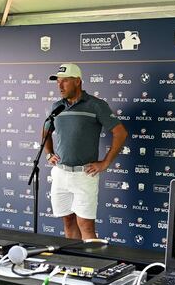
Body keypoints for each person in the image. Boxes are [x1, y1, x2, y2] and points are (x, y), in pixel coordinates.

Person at [44, 63, 128, 239]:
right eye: (58, 82)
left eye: (65, 81)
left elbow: (120, 133)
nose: (60, 86)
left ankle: (90, 266)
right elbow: (46, 132)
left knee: (86, 226)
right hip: (60, 173)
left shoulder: (96, 105)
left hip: (84, 175)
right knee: (67, 220)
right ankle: (72, 263)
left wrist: (105, 163)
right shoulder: (56, 106)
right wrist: (49, 153)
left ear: (78, 82)